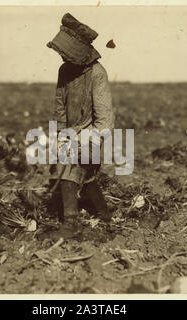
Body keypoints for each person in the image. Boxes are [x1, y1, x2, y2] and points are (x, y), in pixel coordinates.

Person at [47, 13, 115, 233]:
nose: (64, 58)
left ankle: (71, 222)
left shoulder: (97, 74)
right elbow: (60, 104)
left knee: (70, 172)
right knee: (84, 178)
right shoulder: (65, 71)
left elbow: (105, 118)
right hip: (69, 132)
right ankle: (104, 215)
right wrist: (61, 133)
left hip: (92, 134)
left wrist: (89, 141)